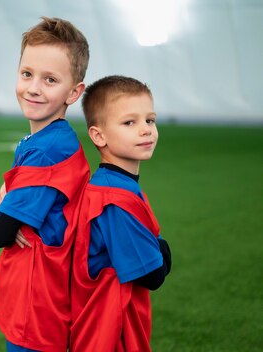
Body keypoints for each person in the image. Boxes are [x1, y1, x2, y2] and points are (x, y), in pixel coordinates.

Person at [0, 17, 90, 352]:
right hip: (40, 294)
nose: (33, 87)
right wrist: (0, 211)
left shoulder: (47, 150)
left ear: (74, 92)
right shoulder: (46, 139)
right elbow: (2, 222)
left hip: (38, 304)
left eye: (50, 79)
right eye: (27, 74)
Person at [70, 75, 172, 351]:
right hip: (110, 331)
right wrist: (162, 249)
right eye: (130, 122)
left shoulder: (114, 184)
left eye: (150, 120)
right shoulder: (114, 198)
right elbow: (152, 275)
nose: (146, 130)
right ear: (98, 135)